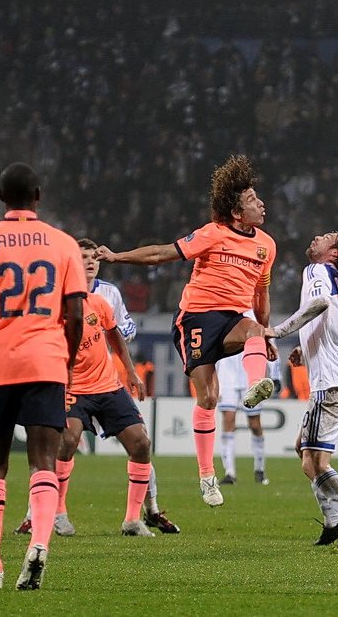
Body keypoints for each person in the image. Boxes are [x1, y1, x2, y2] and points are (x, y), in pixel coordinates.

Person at [95, 155, 277, 507]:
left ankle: (255, 385)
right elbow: (161, 253)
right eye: (252, 200)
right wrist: (117, 257)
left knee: (254, 330)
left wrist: (266, 334)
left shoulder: (266, 245)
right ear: (236, 212)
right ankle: (207, 476)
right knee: (208, 397)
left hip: (232, 318)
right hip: (195, 318)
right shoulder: (213, 234)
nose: (261, 203)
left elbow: (262, 295)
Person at [0, 162, 87, 590]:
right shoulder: (64, 244)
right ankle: (39, 543)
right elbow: (75, 314)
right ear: (38, 196)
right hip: (45, 361)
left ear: (0, 196)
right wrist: (66, 360)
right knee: (43, 463)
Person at [14, 239, 180, 536]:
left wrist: (131, 372)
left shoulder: (103, 299)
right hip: (71, 388)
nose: (90, 261)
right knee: (67, 441)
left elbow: (117, 335)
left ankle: (134, 519)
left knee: (141, 443)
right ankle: (56, 512)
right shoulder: (51, 304)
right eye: (83, 257)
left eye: (94, 257)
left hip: (107, 386)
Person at [266, 231, 338, 550]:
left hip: (331, 383)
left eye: (326, 237)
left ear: (335, 253)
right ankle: (333, 522)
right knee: (303, 449)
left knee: (316, 462)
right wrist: (307, 349)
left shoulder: (316, 270)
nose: (316, 237)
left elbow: (318, 304)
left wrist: (279, 331)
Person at [216, 311, 272, 486]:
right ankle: (229, 472)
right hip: (226, 376)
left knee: (254, 424)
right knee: (228, 421)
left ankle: (259, 468)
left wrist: (274, 375)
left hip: (250, 375)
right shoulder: (221, 312)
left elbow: (268, 341)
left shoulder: (254, 313)